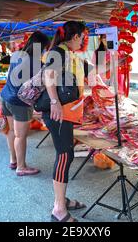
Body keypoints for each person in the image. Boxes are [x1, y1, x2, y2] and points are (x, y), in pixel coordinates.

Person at [43, 21, 90, 222]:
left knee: (66, 155)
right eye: (83, 37)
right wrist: (54, 101)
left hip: (65, 111)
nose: (84, 40)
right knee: (64, 156)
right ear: (75, 36)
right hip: (58, 112)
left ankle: (61, 200)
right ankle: (59, 210)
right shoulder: (59, 52)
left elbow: (88, 71)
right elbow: (48, 75)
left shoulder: (69, 54)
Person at [0, 31, 50, 176]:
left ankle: (13, 160)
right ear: (41, 47)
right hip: (20, 102)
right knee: (20, 136)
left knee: (11, 131)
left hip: (6, 96)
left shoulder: (17, 56)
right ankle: (21, 167)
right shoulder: (38, 64)